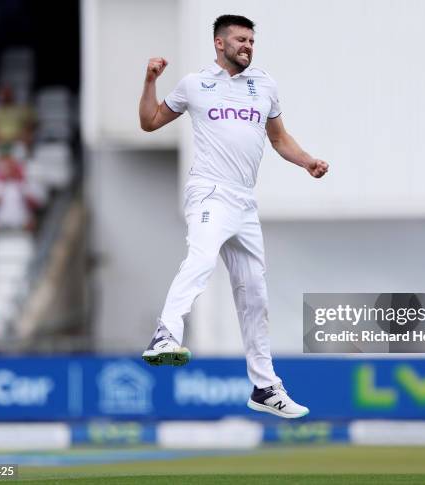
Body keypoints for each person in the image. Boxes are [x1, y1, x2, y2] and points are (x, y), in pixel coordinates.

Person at [139, 14, 328, 419]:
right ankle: (166, 334)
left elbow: (279, 139)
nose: (248, 46)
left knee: (255, 294)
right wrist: (150, 80)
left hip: (244, 202)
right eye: (240, 40)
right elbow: (150, 122)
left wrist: (307, 161)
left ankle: (264, 386)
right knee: (202, 258)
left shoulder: (265, 85)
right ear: (219, 43)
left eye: (251, 41)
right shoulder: (194, 84)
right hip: (209, 191)